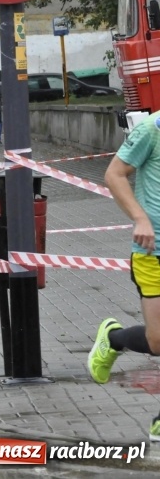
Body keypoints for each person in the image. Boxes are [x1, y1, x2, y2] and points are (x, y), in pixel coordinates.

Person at [88, 116, 160, 441]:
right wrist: (139, 217)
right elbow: (114, 174)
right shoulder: (152, 129)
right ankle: (113, 338)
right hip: (152, 252)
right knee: (158, 342)